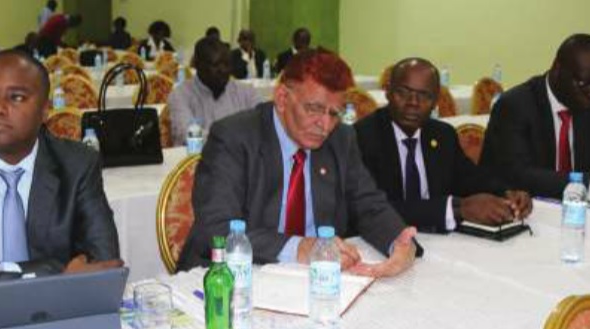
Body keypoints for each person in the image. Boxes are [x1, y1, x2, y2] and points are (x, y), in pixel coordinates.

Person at [178, 49, 422, 278]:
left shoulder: (341, 138)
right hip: (238, 275)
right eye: (314, 109)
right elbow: (216, 227)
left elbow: (369, 203)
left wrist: (397, 240)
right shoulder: (234, 137)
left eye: (334, 113)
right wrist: (299, 247)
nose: (325, 125)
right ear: (283, 98)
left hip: (317, 277)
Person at [0, 50, 122, 281]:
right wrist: (61, 278)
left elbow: (105, 263)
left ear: (45, 110)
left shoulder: (78, 165)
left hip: (55, 313)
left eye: (16, 97)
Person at [355, 57, 532, 233]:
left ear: (435, 102)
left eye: (424, 95)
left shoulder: (442, 134)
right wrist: (457, 209)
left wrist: (507, 194)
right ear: (388, 92)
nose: (413, 103)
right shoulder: (362, 138)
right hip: (382, 240)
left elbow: (471, 178)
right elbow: (373, 208)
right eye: (403, 92)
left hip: (439, 241)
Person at [480, 33, 590, 199]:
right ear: (557, 67)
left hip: (577, 211)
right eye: (584, 84)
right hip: (518, 209)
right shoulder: (515, 105)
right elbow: (520, 176)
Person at [167, 37, 261, 146]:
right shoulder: (180, 95)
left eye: (227, 64)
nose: (223, 70)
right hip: (196, 160)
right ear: (197, 65)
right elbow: (188, 135)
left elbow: (267, 122)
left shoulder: (247, 92)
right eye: (216, 65)